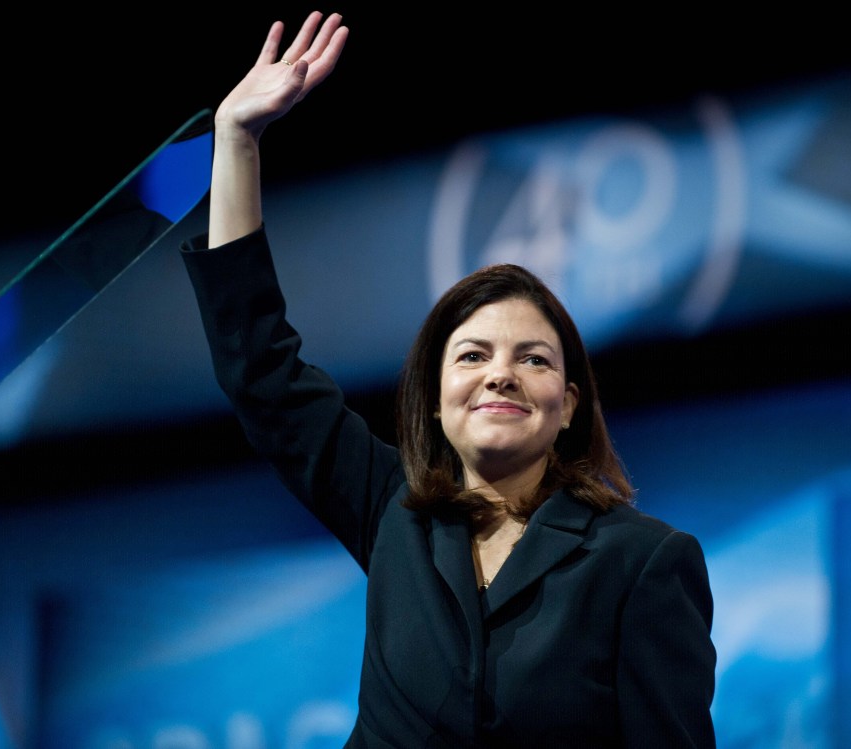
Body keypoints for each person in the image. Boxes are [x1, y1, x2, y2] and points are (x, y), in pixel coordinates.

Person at [180, 10, 717, 747]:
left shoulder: (640, 559)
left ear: (568, 406)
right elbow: (261, 371)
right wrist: (235, 142)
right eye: (472, 355)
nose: (501, 373)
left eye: (533, 358)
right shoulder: (393, 513)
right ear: (435, 402)